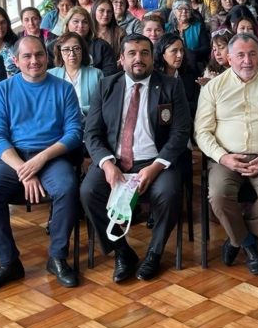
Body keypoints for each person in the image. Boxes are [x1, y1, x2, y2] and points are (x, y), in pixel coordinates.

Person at [0, 36, 83, 292]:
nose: (34, 60)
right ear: (15, 61)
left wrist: (40, 160)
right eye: (27, 56)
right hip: (13, 158)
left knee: (67, 188)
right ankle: (9, 262)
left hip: (51, 156)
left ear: (47, 57)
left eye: (39, 55)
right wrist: (24, 171)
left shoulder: (64, 88)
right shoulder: (3, 90)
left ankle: (57, 257)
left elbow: (74, 133)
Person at [81, 33, 190, 282]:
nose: (138, 59)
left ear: (153, 58)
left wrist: (155, 167)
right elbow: (92, 132)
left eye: (144, 53)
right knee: (89, 192)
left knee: (170, 193)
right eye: (131, 53)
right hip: (115, 161)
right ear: (121, 59)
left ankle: (154, 253)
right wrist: (107, 165)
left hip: (155, 161)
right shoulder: (106, 85)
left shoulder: (171, 86)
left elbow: (180, 132)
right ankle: (122, 252)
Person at [194, 33, 258, 275]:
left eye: (253, 54)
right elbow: (202, 132)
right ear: (228, 58)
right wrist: (223, 157)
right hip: (227, 158)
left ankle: (236, 239)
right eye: (240, 55)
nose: (247, 61)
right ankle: (250, 244)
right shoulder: (213, 88)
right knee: (218, 196)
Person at [48, 32, 103, 117]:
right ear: (60, 52)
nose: (72, 54)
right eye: (66, 49)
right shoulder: (50, 75)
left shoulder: (96, 74)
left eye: (76, 48)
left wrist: (78, 111)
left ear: (83, 50)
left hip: (88, 123)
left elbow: (102, 104)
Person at [61, 6, 117, 76]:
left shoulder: (102, 46)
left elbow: (110, 73)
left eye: (85, 22)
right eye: (76, 21)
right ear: (67, 24)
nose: (80, 25)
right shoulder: (56, 46)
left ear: (90, 25)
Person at [154, 33, 199, 119]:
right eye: (174, 51)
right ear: (162, 54)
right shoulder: (154, 77)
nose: (179, 55)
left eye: (181, 50)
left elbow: (197, 105)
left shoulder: (191, 75)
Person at [165, 0, 211, 73]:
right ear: (174, 11)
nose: (184, 11)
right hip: (171, 63)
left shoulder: (198, 26)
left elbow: (206, 48)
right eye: (180, 9)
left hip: (193, 63)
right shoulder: (167, 28)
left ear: (191, 11)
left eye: (187, 9)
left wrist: (189, 54)